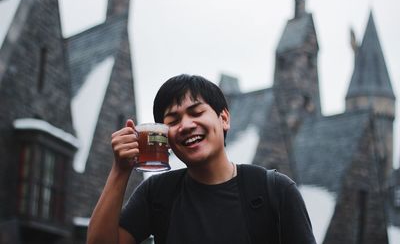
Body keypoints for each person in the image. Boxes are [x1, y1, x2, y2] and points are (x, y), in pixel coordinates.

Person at [87, 74, 316, 244]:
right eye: (173, 120)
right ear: (164, 137)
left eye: (196, 113)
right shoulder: (157, 193)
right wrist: (120, 170)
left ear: (224, 118)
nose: (186, 125)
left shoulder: (275, 191)